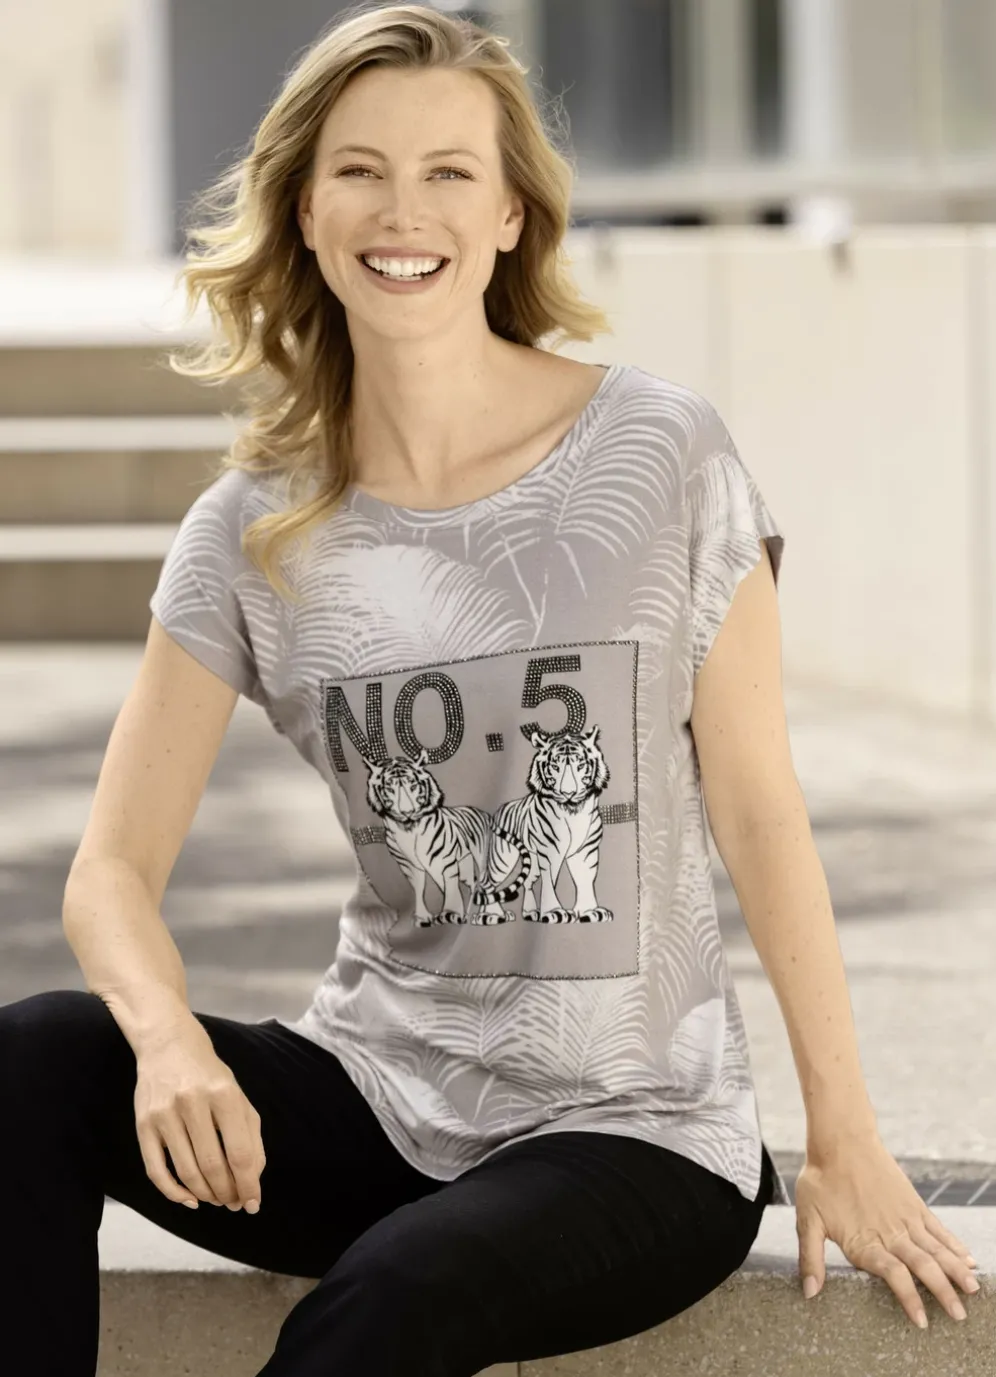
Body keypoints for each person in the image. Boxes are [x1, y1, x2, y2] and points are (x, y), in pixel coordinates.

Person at [0, 5, 979, 1375]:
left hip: (635, 1129)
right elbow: (110, 869)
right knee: (37, 1060)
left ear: (512, 215)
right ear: (305, 209)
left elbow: (760, 812)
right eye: (360, 170)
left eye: (449, 172)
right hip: (379, 1093)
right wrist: (167, 1042)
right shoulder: (256, 527)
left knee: (391, 1298)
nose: (404, 211)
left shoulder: (660, 454)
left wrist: (845, 1137)